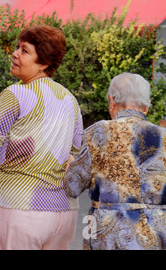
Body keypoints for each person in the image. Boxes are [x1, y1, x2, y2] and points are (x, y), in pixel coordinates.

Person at [0, 25, 83, 250]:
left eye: (24, 51)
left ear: (43, 63)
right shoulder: (70, 99)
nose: (14, 53)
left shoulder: (15, 94)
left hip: (21, 207)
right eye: (17, 48)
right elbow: (77, 150)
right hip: (65, 213)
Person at [65, 72, 166, 250]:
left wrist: (70, 163)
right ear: (147, 107)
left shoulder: (98, 132)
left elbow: (72, 187)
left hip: (106, 237)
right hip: (157, 236)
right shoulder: (164, 138)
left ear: (111, 101)